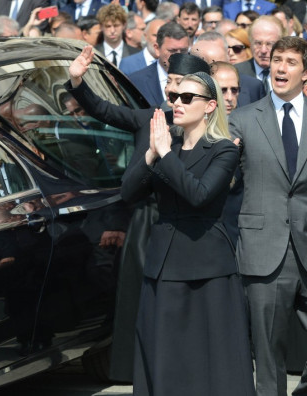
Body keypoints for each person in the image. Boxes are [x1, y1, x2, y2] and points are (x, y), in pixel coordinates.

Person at [66, 48, 211, 382]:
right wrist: (77, 79)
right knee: (140, 300)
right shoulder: (151, 117)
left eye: (182, 84)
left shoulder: (203, 130)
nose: (173, 91)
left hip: (186, 227)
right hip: (145, 221)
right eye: (170, 82)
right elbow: (103, 110)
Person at [121, 72, 255, 396]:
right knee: (164, 357)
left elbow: (199, 195)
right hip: (164, 265)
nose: (177, 103)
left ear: (210, 106)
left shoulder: (224, 150)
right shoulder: (168, 145)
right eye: (175, 97)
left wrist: (165, 155)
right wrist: (152, 154)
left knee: (212, 363)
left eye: (187, 98)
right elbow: (128, 193)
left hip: (208, 269)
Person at [230, 36, 307, 396]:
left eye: (290, 62)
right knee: (267, 356)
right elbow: (227, 180)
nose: (280, 67)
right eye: (277, 60)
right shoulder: (242, 120)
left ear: (306, 72)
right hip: (263, 252)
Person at [128, 21, 190, 107]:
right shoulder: (136, 82)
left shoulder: (197, 80)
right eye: (172, 51)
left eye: (183, 51)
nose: (179, 56)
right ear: (157, 49)